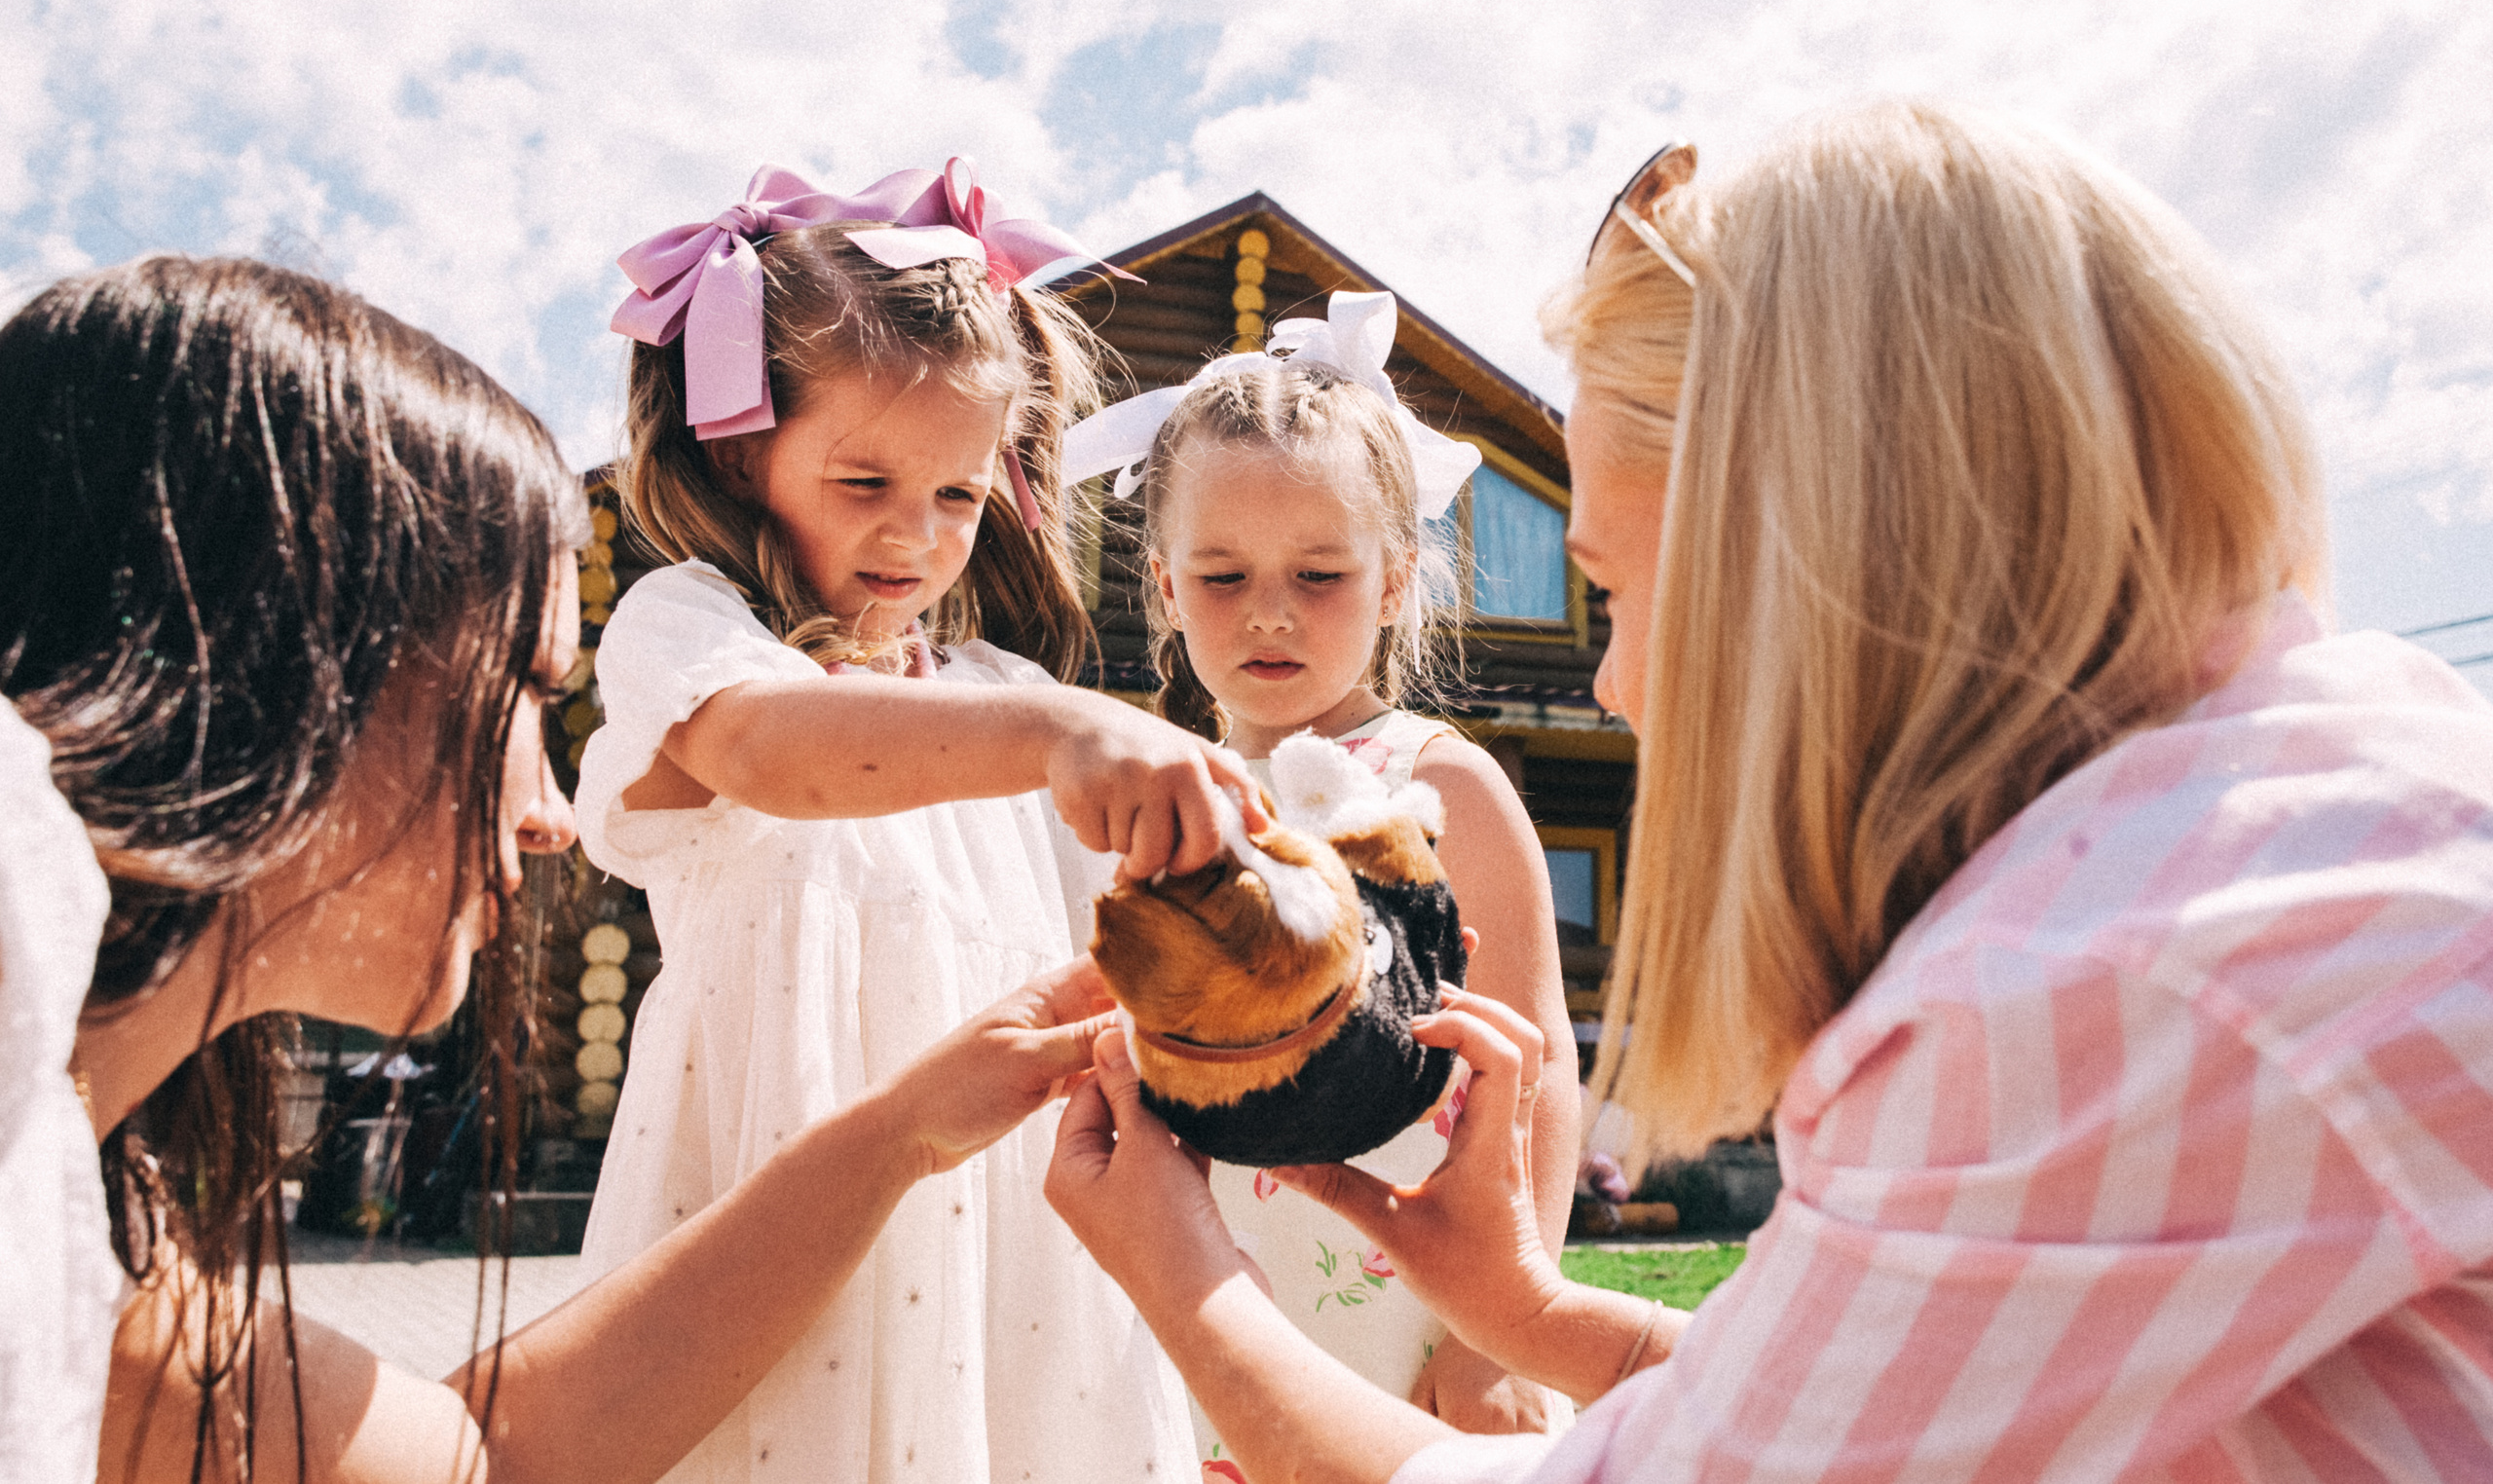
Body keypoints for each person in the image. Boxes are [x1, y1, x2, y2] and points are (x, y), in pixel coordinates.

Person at [1045, 100, 2493, 1481]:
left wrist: (1186, 1279)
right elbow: (1876, 1392)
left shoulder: (2116, 978)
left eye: (1608, 586)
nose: (1608, 683)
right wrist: (1532, 1310)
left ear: (1821, 556)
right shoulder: (2279, 805)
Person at [0, 254, 1131, 1484]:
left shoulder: (80, 1246)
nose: (553, 816)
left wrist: (906, 1128)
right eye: (524, 698)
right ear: (271, 676)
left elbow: (482, 1457)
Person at [574, 161, 1253, 1483]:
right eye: (865, 478)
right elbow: (776, 750)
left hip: (1013, 1247)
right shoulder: (697, 637)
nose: (916, 533)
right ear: (741, 446)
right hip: (784, 1215)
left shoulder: (1010, 698)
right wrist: (1066, 738)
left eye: (955, 493)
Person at [1060, 289, 1579, 1444]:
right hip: (1195, 1296)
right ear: (1163, 587)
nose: (1270, 617)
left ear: (1394, 580)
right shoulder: (1156, 794)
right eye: (1224, 576)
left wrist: (1502, 1332)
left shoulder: (1439, 787)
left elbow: (1533, 1063)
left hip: (1408, 1296)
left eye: (1320, 575)